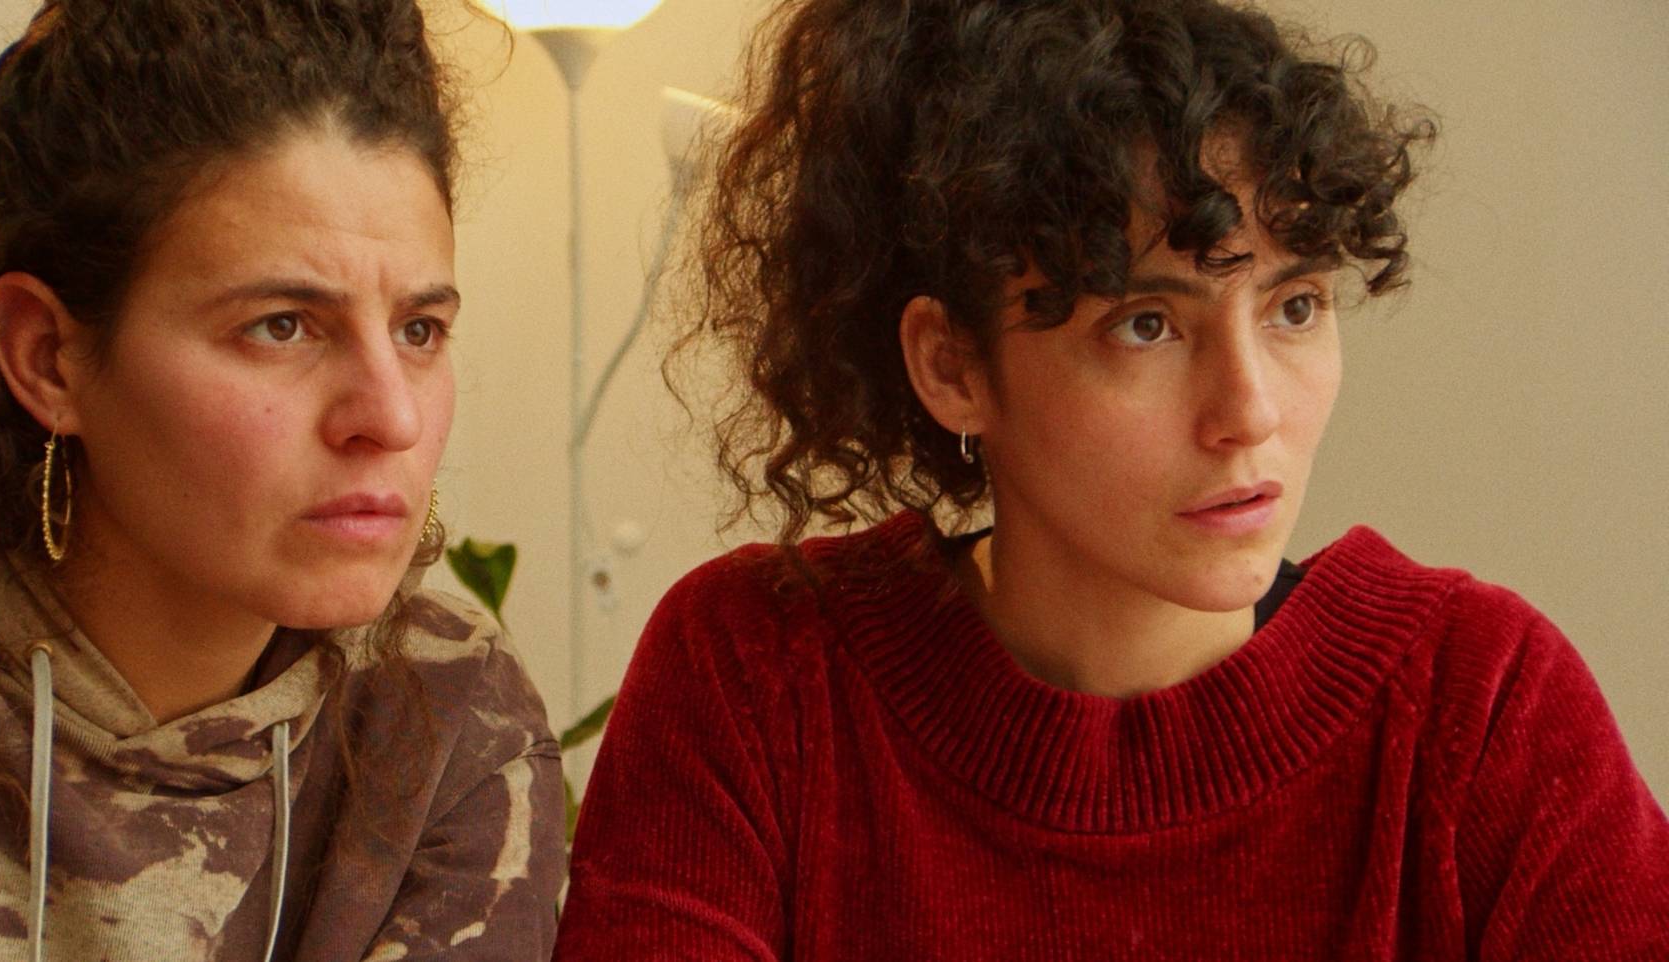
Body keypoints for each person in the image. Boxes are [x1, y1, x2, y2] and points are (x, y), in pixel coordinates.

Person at [554, 0, 1669, 957]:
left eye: (1294, 306)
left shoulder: (1482, 707)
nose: (1251, 413)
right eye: (1147, 324)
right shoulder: (758, 678)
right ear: (952, 366)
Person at [0, 1, 564, 959]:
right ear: (50, 359)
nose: (393, 419)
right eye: (282, 326)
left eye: (419, 331)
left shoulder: (448, 712)